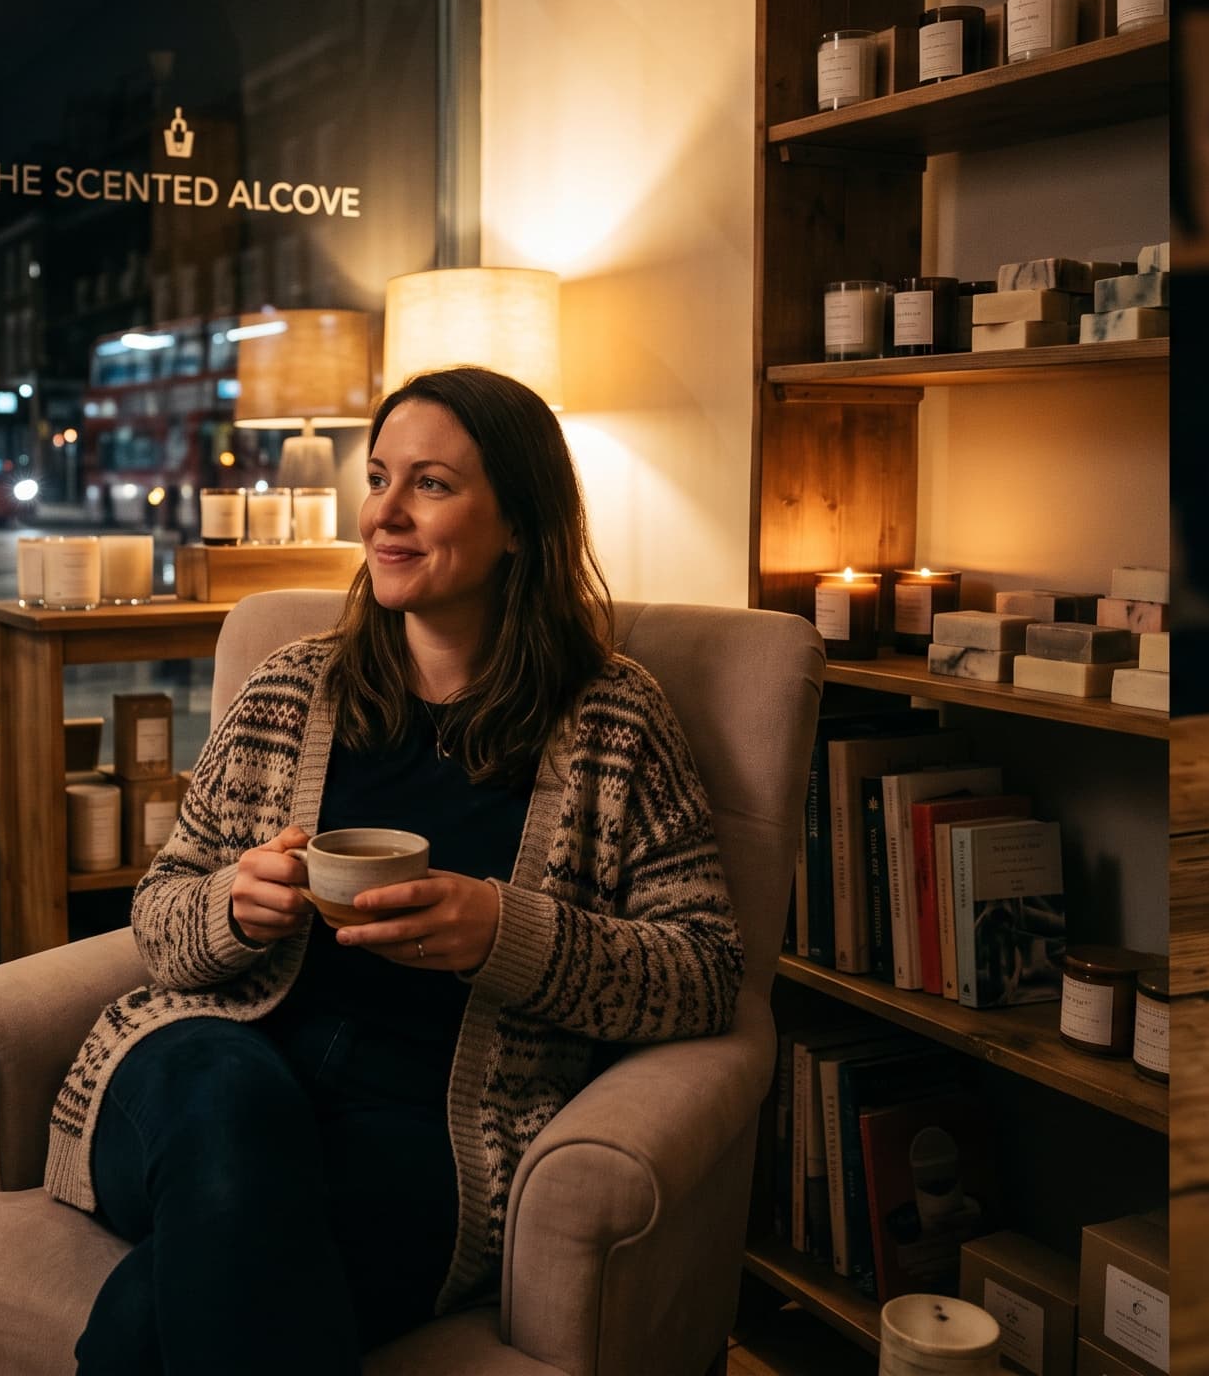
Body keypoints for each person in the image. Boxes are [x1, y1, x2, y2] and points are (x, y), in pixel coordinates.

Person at [47, 365, 743, 1374]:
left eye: (431, 484)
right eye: (379, 478)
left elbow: (706, 971)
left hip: (429, 1126)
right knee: (236, 1111)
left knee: (159, 1317)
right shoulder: (291, 689)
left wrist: (506, 936)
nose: (385, 513)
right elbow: (158, 915)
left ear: (519, 523)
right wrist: (231, 910)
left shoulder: (612, 723)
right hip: (207, 1068)